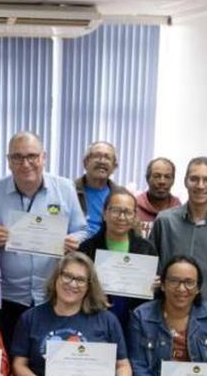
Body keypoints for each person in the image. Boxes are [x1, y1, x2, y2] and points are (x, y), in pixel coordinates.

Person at [0, 131, 85, 361]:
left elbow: (82, 229)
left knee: (46, 361)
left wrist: (74, 241)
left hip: (52, 296)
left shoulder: (64, 189)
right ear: (8, 161)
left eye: (32, 156)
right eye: (17, 157)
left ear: (43, 157)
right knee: (4, 361)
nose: (25, 164)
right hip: (7, 298)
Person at [150, 157, 207, 307]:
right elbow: (150, 266)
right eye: (194, 179)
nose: (200, 186)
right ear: (185, 181)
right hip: (166, 310)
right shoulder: (165, 221)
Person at [76, 186, 158, 328]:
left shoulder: (146, 249)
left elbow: (154, 294)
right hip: (94, 319)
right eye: (115, 210)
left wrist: (155, 285)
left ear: (134, 216)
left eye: (127, 212)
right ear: (104, 213)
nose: (121, 217)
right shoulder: (87, 248)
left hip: (136, 322)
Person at [73, 140, 120, 235]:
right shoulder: (69, 190)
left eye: (107, 157)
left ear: (114, 167)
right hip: (75, 246)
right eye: (97, 156)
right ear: (86, 163)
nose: (102, 161)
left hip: (107, 248)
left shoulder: (121, 195)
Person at [134, 157, 182, 237]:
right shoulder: (133, 209)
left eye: (167, 177)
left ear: (173, 180)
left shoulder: (180, 213)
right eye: (157, 176)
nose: (162, 182)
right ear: (147, 179)